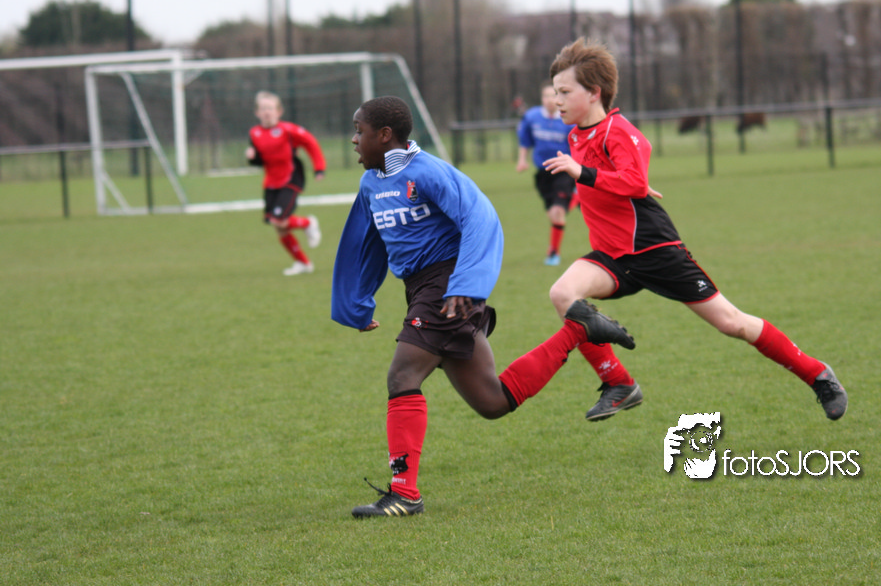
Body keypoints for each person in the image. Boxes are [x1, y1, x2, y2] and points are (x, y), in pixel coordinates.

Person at [331, 96, 635, 518]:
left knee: (402, 376)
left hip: (447, 287)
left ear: (384, 135)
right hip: (421, 290)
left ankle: (404, 494)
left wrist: (467, 285)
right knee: (493, 402)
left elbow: (480, 217)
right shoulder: (371, 184)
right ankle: (579, 331)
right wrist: (355, 304)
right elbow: (364, 244)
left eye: (359, 131)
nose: (354, 140)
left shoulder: (428, 172)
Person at [541, 38, 848, 422]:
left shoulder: (618, 129)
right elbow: (621, 180)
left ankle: (818, 375)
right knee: (563, 294)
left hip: (653, 249)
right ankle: (619, 383)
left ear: (594, 92)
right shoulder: (576, 135)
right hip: (613, 256)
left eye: (565, 92)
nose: (557, 101)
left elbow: (633, 179)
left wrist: (592, 175)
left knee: (731, 323)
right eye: (555, 92)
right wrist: (610, 181)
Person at [245, 90, 326, 276]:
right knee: (279, 227)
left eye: (270, 108)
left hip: (291, 177)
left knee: (279, 220)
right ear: (257, 112)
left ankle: (307, 223)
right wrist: (252, 158)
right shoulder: (254, 133)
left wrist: (319, 167)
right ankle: (303, 263)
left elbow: (310, 143)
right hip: (271, 182)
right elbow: (260, 160)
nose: (267, 112)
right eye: (263, 108)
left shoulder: (288, 130)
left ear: (279, 111)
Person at [516, 84, 576, 266]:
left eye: (553, 96)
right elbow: (525, 141)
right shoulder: (532, 117)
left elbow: (577, 146)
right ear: (542, 99)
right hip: (543, 174)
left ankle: (553, 253)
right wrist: (522, 160)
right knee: (553, 215)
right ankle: (575, 197)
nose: (550, 100)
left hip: (563, 172)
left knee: (558, 212)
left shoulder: (568, 120)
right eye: (546, 96)